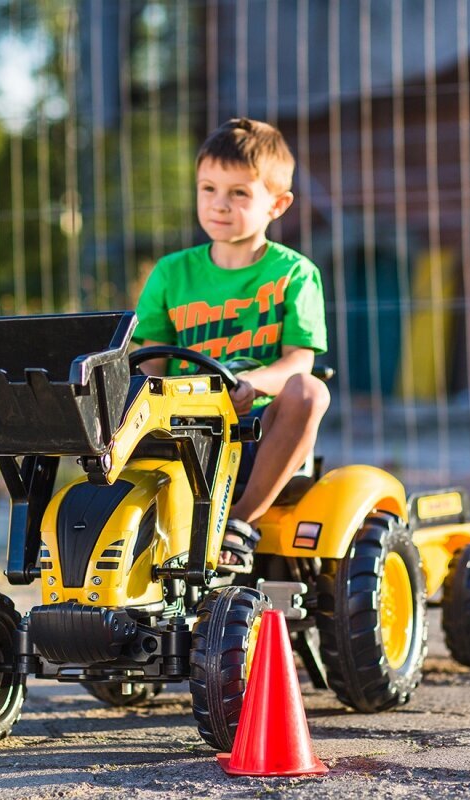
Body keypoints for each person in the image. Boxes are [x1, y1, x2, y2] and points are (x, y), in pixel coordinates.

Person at [132, 117, 329, 574]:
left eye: (239, 193)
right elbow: (152, 365)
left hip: (257, 431)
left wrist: (255, 383)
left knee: (311, 390)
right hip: (185, 431)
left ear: (277, 205)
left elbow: (300, 361)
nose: (219, 205)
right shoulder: (170, 273)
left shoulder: (295, 274)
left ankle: (240, 523)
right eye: (208, 189)